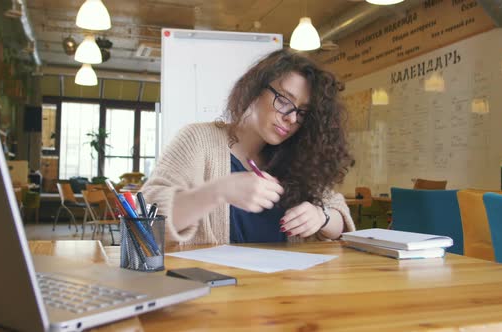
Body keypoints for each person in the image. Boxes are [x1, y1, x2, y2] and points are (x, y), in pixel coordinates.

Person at [142, 49, 355, 245]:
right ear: (254, 90)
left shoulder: (298, 156)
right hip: (214, 284)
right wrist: (218, 191)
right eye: (283, 100)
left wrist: (321, 217)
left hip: (283, 284)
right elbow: (145, 221)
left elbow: (340, 219)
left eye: (302, 112)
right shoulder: (197, 139)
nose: (291, 118)